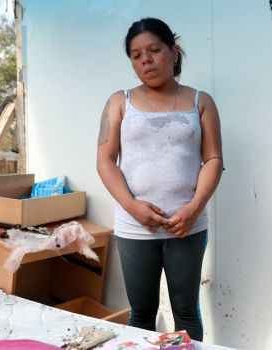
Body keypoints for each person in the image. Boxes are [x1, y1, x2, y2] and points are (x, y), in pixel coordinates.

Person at [96, 18, 223, 341]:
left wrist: (194, 207)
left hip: (187, 224)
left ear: (173, 51)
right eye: (136, 55)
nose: (146, 60)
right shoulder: (118, 101)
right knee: (141, 311)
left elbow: (213, 159)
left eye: (154, 50)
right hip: (134, 227)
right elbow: (105, 161)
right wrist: (132, 206)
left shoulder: (201, 101)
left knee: (185, 310)